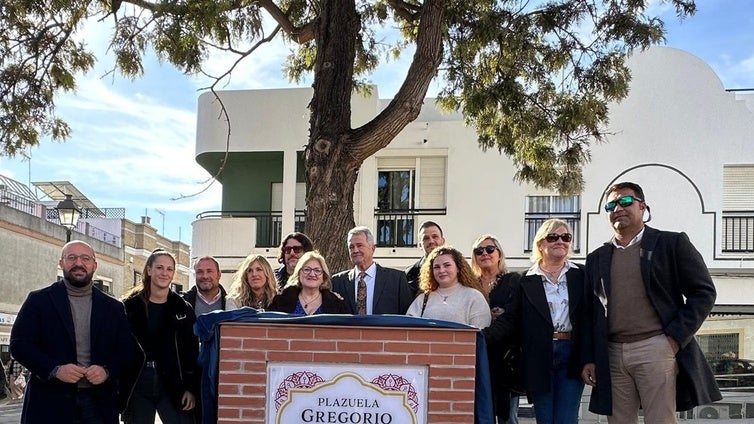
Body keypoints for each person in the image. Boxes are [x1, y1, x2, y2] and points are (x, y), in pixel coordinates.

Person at [581, 182, 721, 422]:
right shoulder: (597, 258)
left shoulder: (671, 243)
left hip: (656, 348)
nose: (618, 208)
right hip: (612, 353)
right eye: (611, 204)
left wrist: (674, 339)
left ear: (643, 206)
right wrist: (589, 357)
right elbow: (588, 313)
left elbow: (704, 292)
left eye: (625, 201)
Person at [9, 241, 132, 423]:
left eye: (85, 258)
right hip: (49, 402)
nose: (79, 263)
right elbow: (19, 345)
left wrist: (107, 371)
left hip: (98, 404)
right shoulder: (39, 300)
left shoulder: (113, 307)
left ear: (94, 265)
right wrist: (54, 369)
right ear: (61, 263)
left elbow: (127, 349)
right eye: (72, 257)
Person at [484, 220, 586, 424]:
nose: (560, 241)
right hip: (539, 357)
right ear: (540, 244)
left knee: (567, 419)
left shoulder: (582, 275)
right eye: (553, 237)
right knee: (545, 419)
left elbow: (592, 319)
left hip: (572, 354)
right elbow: (511, 320)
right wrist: (480, 335)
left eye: (566, 237)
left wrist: (591, 357)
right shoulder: (524, 280)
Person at [121, 249, 200, 424]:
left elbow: (192, 352)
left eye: (169, 269)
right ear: (149, 270)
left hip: (173, 381)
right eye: (159, 267)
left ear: (173, 274)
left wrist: (190, 388)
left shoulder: (183, 309)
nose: (164, 273)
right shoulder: (128, 306)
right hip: (138, 383)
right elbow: (118, 347)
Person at [471, 234, 522, 424]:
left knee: (507, 417)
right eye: (479, 251)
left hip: (506, 359)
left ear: (499, 254)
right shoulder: (470, 285)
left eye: (490, 249)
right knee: (479, 414)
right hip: (476, 358)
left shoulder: (512, 281)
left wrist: (480, 334)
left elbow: (512, 317)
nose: (485, 253)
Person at [331, 226, 413, 315]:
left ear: (373, 249)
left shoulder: (396, 280)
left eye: (359, 245)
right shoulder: (338, 282)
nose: (355, 250)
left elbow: (407, 315)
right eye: (351, 247)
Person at [406, 246, 491, 328]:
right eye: (436, 267)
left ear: (458, 268)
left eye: (447, 265)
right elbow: (409, 330)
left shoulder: (474, 296)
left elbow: (479, 333)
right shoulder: (423, 299)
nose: (441, 270)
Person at [268, 251, 350, 315]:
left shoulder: (337, 304)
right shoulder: (280, 301)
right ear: (299, 273)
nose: (312, 274)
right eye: (307, 269)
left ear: (323, 276)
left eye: (317, 270)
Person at [405, 221, 445, 296]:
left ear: (443, 241)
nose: (431, 241)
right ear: (420, 245)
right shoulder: (408, 275)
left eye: (435, 236)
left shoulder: (456, 270)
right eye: (426, 238)